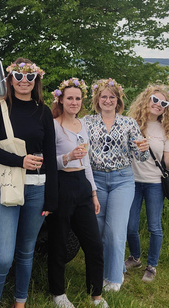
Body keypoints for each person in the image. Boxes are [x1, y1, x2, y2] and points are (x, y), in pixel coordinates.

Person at [0, 58, 58, 308]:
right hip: (5, 186)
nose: (23, 81)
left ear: (36, 80)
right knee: (3, 257)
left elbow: (50, 153)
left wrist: (51, 197)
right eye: (18, 75)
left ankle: (20, 302)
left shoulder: (43, 111)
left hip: (37, 188)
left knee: (26, 252)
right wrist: (19, 161)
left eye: (29, 77)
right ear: (10, 78)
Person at [82, 78, 149, 291]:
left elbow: (141, 157)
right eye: (104, 96)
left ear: (118, 100)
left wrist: (144, 148)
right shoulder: (87, 122)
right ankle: (103, 271)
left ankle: (114, 278)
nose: (108, 100)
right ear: (97, 99)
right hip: (96, 180)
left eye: (112, 97)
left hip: (122, 180)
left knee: (115, 231)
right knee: (99, 230)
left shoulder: (129, 123)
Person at [48, 78, 108, 308]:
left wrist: (93, 192)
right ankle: (58, 293)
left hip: (82, 184)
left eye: (77, 98)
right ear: (60, 100)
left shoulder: (83, 125)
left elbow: (88, 162)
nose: (74, 102)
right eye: (69, 98)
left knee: (94, 243)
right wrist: (66, 158)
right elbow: (47, 163)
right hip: (61, 185)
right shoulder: (52, 125)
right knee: (59, 242)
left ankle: (96, 295)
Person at [125, 85, 169, 283]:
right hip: (132, 181)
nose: (158, 105)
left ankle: (151, 266)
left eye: (163, 103)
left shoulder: (166, 129)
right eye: (155, 100)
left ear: (166, 108)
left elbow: (167, 164)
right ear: (146, 100)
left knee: (154, 226)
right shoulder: (131, 123)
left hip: (154, 183)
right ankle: (135, 258)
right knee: (130, 225)